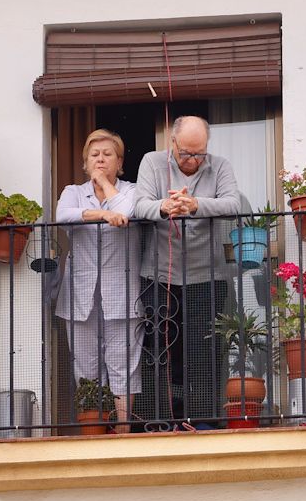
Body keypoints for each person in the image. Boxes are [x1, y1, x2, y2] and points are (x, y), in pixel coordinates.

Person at [131, 115, 241, 425]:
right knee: (159, 350)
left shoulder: (220, 166)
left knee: (204, 352)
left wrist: (195, 205)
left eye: (199, 153)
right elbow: (139, 206)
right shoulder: (152, 163)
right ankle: (160, 420)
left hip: (207, 276)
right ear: (173, 143)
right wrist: (163, 207)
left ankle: (203, 420)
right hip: (158, 275)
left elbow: (233, 204)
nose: (192, 160)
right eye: (185, 153)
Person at [55, 128, 141, 430]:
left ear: (120, 162)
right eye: (95, 155)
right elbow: (62, 215)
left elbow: (127, 211)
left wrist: (105, 183)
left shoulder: (130, 190)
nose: (100, 159)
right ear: (85, 162)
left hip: (123, 294)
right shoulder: (73, 192)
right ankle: (94, 428)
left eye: (108, 155)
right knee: (86, 366)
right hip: (80, 294)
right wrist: (101, 214)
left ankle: (123, 429)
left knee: (123, 365)